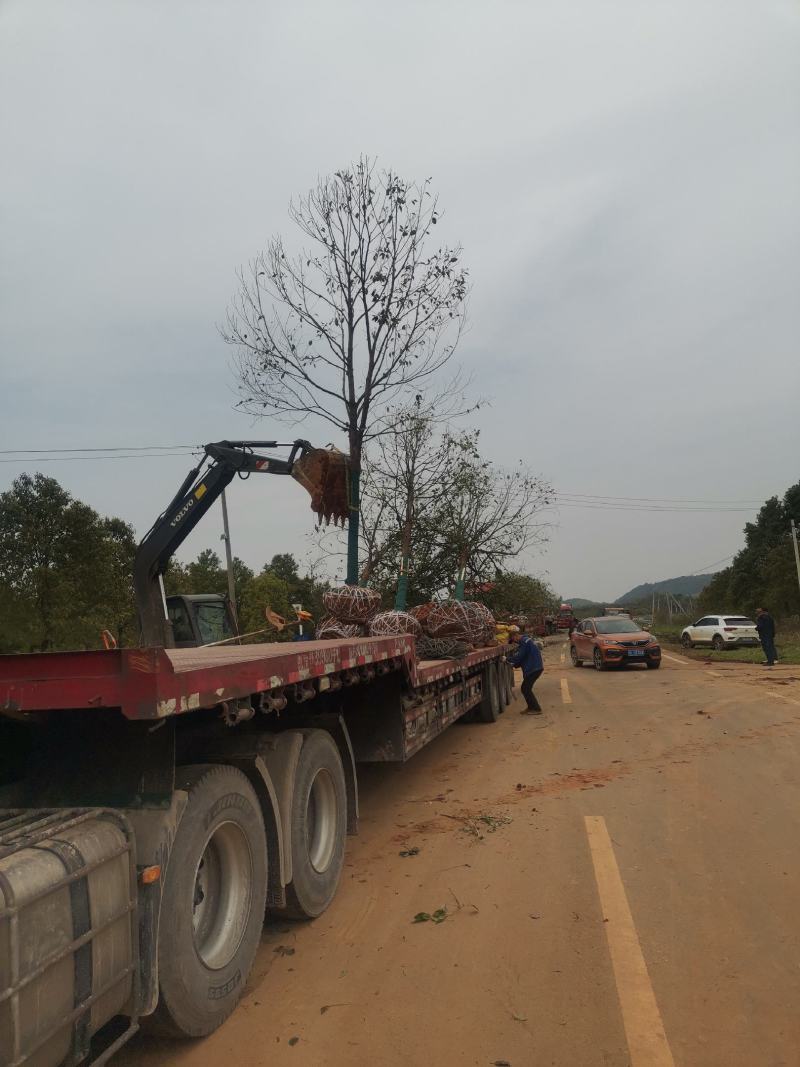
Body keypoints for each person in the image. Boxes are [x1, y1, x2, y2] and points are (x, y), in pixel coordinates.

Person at [507, 627, 544, 714]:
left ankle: (536, 709)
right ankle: (531, 707)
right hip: (535, 667)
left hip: (534, 668)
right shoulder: (526, 641)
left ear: (516, 635)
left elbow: (520, 656)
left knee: (525, 688)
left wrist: (508, 659)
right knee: (526, 688)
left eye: (513, 639)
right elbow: (522, 658)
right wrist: (515, 664)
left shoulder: (524, 642)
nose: (514, 641)